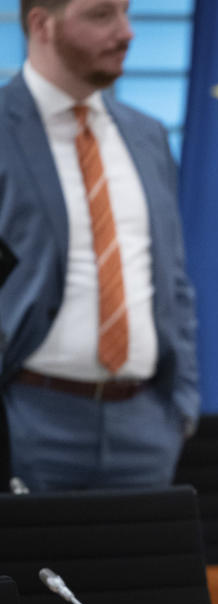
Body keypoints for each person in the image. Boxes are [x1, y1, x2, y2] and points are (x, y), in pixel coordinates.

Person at [0, 0, 199, 492]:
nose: (127, 32)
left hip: (145, 425)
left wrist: (180, 405)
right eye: (101, 15)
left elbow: (173, 279)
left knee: (141, 572)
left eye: (127, 12)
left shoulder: (146, 135)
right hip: (28, 418)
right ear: (41, 25)